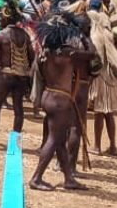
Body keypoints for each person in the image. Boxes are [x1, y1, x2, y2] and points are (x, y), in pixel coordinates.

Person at [29, 13, 92, 191]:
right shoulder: (70, 54)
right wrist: (82, 34)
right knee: (55, 139)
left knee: (58, 141)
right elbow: (92, 54)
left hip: (48, 95)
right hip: (61, 100)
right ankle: (36, 177)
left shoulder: (46, 53)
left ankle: (68, 178)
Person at [0, 4, 34, 149]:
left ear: (7, 18)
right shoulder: (25, 35)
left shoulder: (1, 35)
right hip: (21, 77)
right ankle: (15, 145)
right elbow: (31, 57)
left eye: (0, 17)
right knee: (18, 109)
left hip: (6, 75)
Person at [88, 8, 117, 155]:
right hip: (112, 79)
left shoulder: (96, 36)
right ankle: (113, 146)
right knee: (109, 114)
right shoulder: (109, 35)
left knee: (99, 113)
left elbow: (97, 61)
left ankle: (97, 146)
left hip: (101, 79)